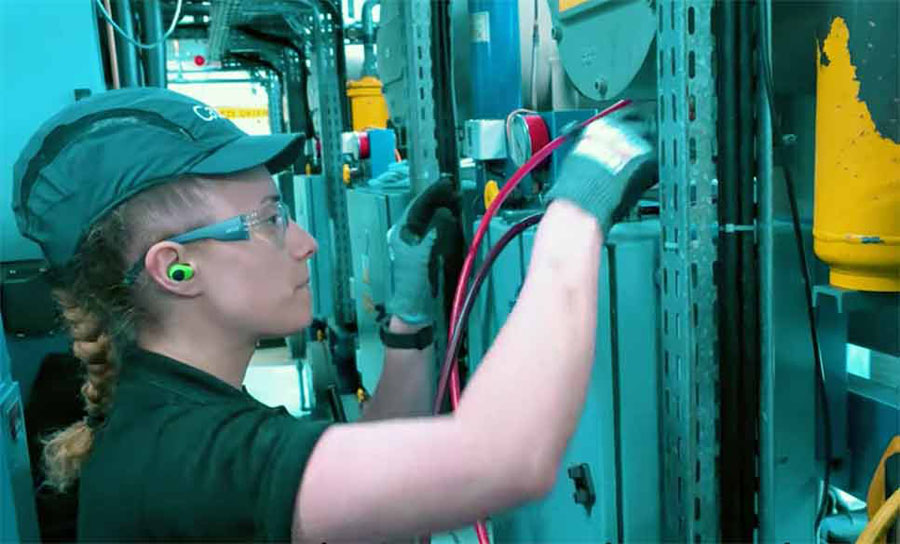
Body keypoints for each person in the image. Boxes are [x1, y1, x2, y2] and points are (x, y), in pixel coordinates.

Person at [11, 87, 655, 542]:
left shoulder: (184, 408)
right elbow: (502, 458)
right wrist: (577, 212)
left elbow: (371, 511)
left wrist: (406, 326)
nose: (305, 242)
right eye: (269, 220)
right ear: (176, 268)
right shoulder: (179, 458)